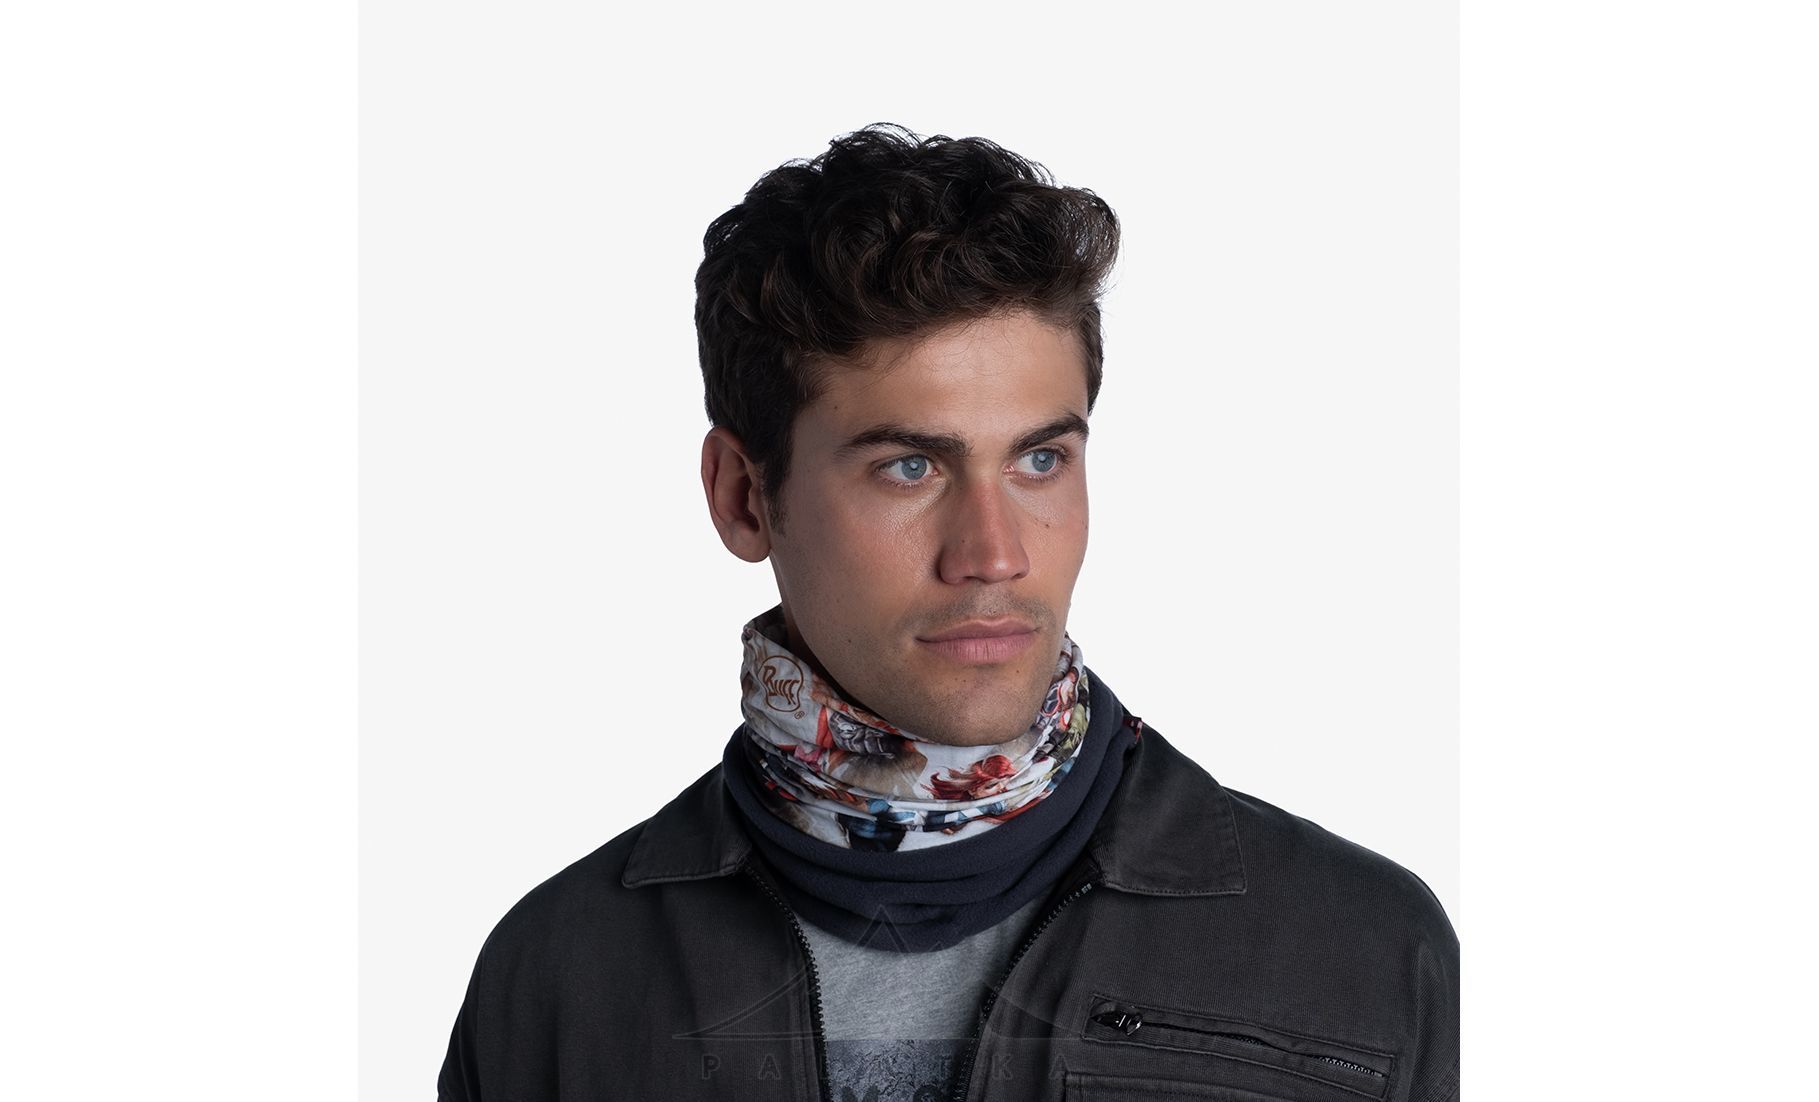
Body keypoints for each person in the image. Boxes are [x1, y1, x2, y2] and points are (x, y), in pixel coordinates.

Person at [438, 123, 1459, 1102]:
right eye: (909, 467)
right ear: (744, 497)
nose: (995, 554)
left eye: (1039, 459)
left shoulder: (1364, 948)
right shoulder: (558, 976)